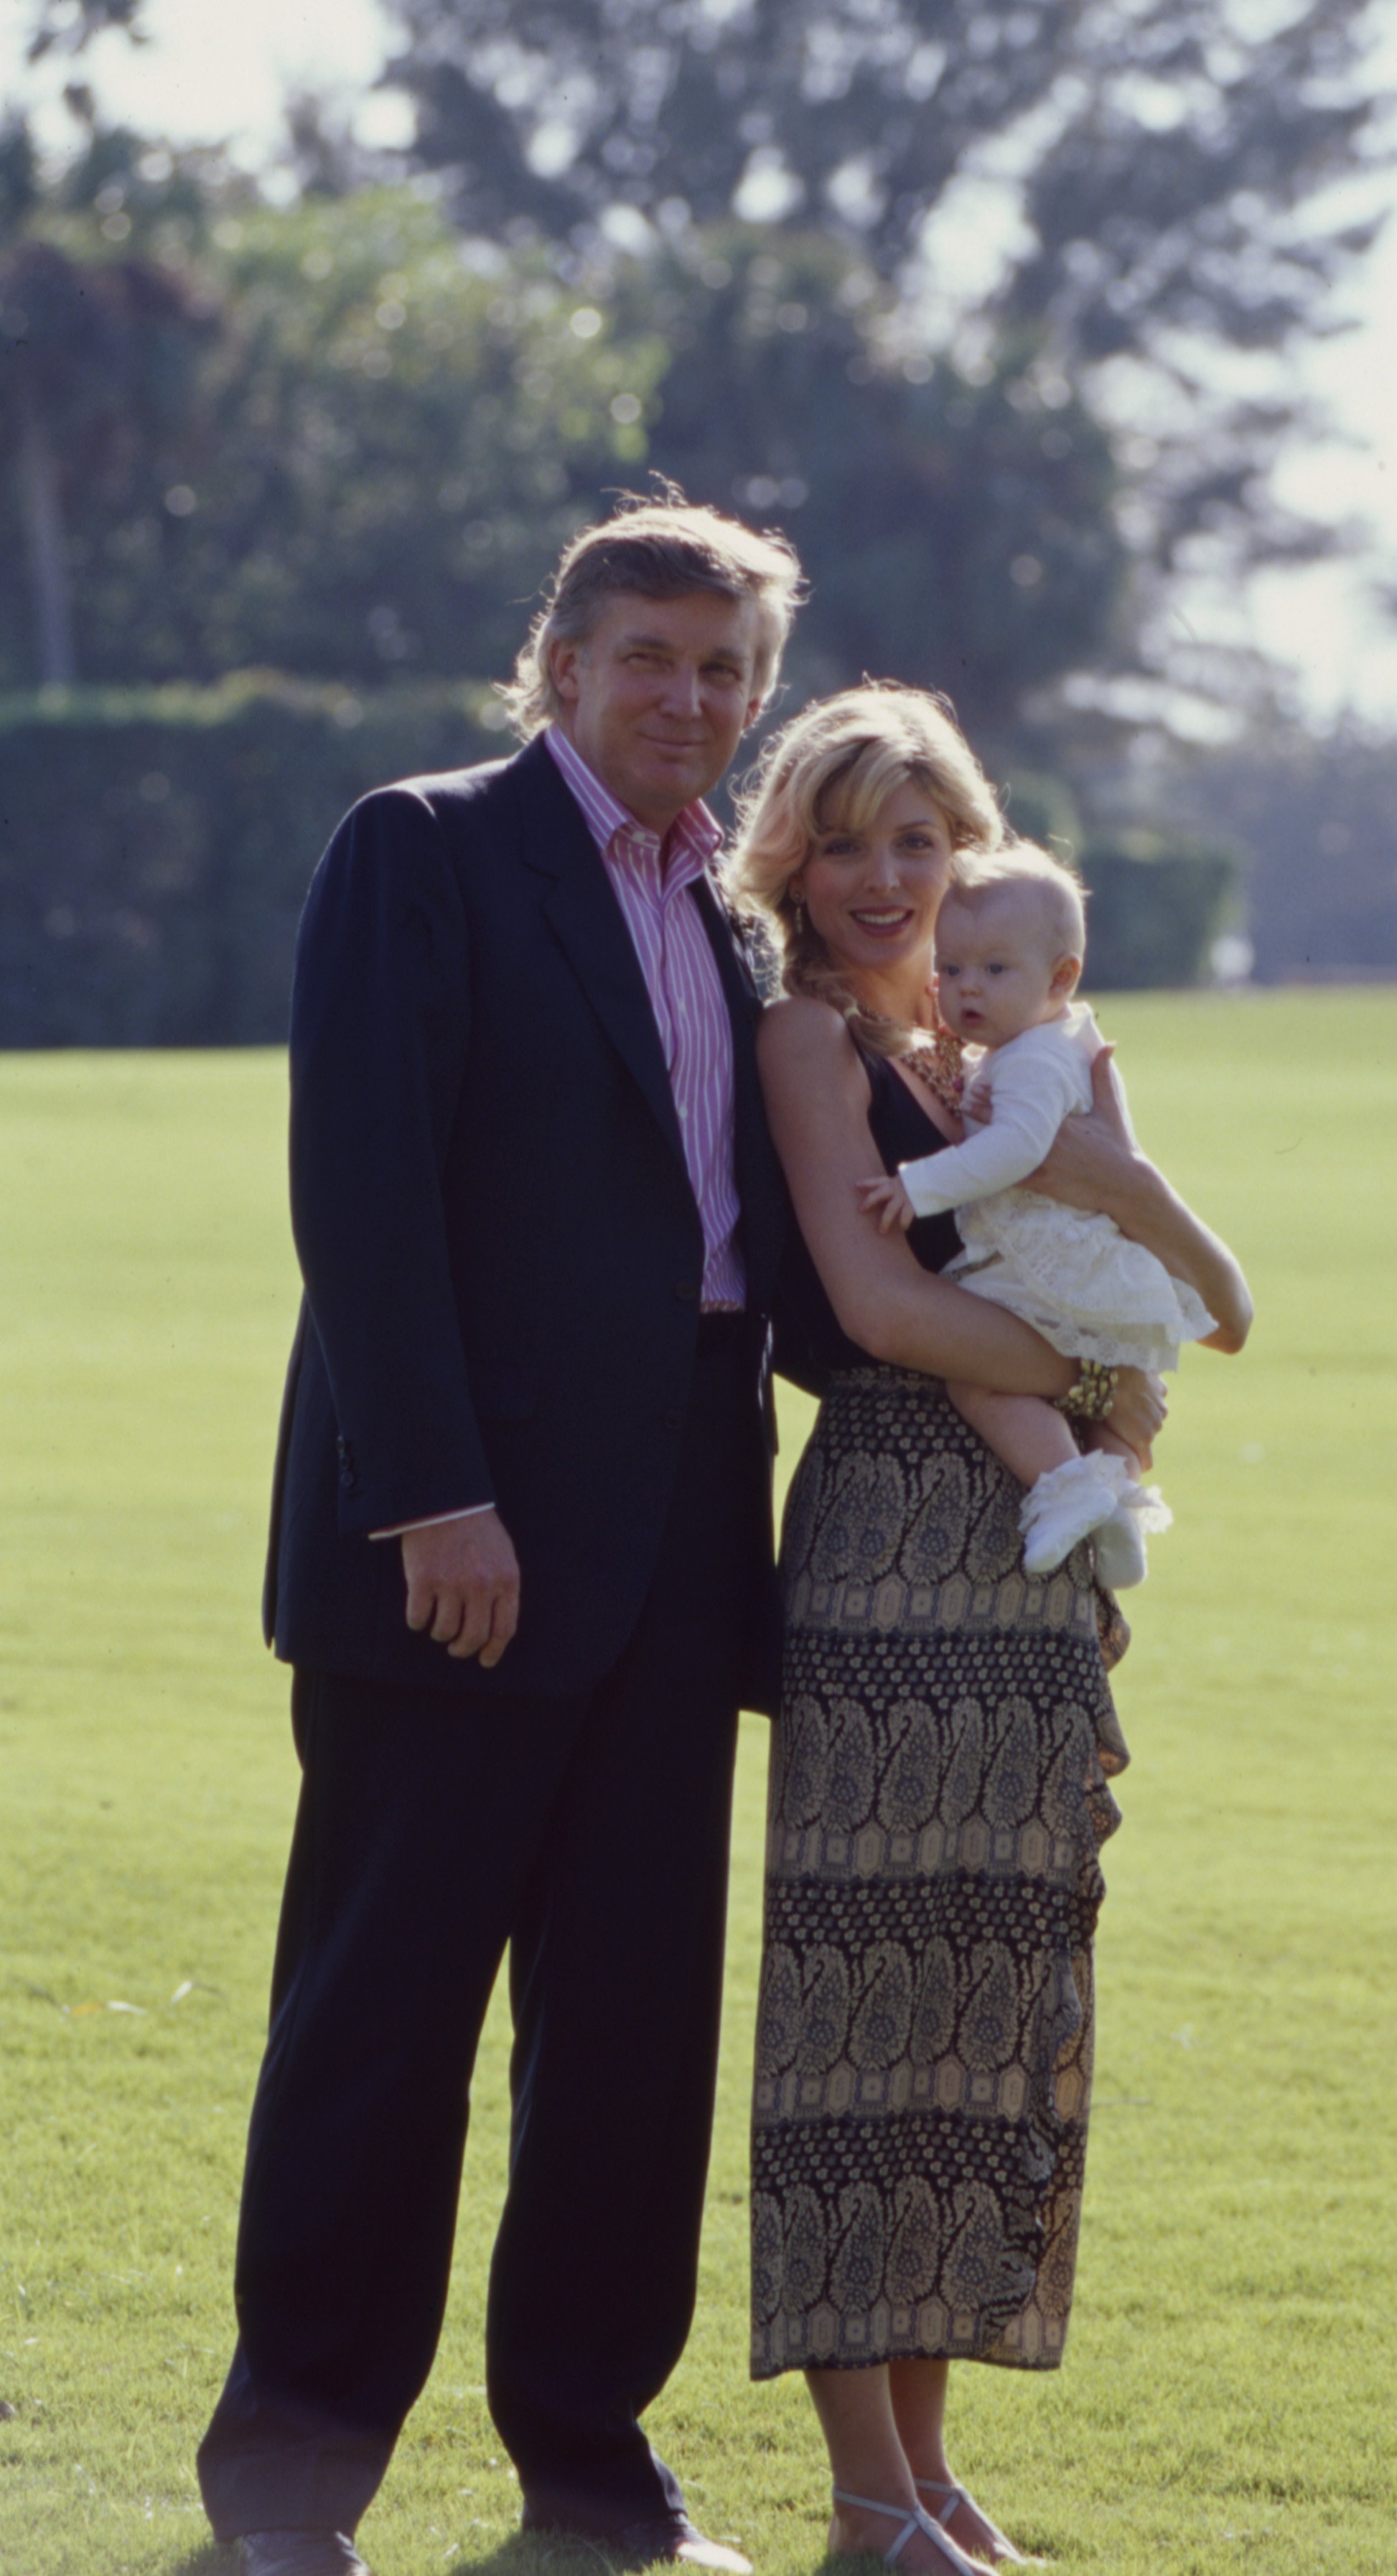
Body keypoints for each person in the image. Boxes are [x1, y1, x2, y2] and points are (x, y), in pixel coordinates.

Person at [197, 496, 806, 2576]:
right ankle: (287, 2481)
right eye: (650, 656)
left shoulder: (744, 913)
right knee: (382, 2025)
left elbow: (764, 1247)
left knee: (631, 2045)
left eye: (726, 669)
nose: (689, 698)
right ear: (560, 665)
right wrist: (434, 1495)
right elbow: (362, 1196)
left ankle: (592, 2470)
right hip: (455, 1554)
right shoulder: (425, 848)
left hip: (678, 1566)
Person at [727, 686, 1252, 2574]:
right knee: (859, 2010)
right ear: (789, 854)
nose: (885, 880)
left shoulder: (985, 1042)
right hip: (883, 1538)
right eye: (849, 841)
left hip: (1023, 1546)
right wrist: (1110, 1364)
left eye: (919, 842)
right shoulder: (805, 1038)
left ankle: (930, 2480)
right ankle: (865, 2492)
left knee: (974, 2004)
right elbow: (881, 1310)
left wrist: (1123, 1386)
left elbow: (1118, 1237)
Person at [857, 840, 1220, 1588]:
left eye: (994, 970)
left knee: (981, 1380)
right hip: (1087, 1257)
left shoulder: (1031, 1059)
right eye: (951, 969)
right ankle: (1115, 1510)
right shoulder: (1040, 1042)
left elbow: (1017, 1150)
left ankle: (1067, 1485)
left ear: (1061, 977)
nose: (965, 990)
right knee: (1121, 1413)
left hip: (1042, 1259)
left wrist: (919, 1185)